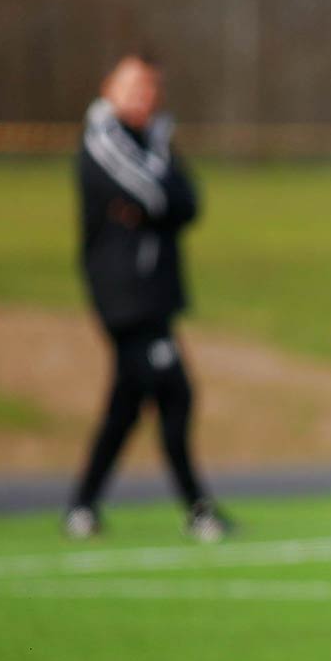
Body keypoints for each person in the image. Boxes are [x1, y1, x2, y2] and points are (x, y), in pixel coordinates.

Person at [63, 54, 229, 543]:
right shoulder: (102, 140)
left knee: (126, 406)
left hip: (155, 295)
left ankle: (82, 506)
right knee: (175, 393)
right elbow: (157, 197)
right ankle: (198, 508)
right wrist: (158, 203)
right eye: (134, 87)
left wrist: (157, 205)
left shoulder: (155, 140)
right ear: (108, 88)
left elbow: (185, 202)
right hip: (124, 298)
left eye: (151, 88)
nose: (145, 97)